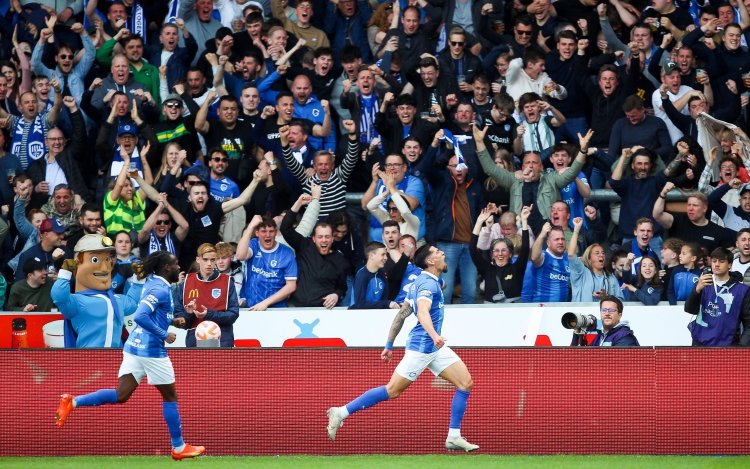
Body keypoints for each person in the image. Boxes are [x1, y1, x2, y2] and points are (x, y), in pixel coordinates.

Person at [326, 244, 479, 453]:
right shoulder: (427, 285)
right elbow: (423, 312)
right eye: (437, 252)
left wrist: (389, 344)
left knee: (465, 383)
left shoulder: (421, 282)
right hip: (423, 347)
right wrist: (435, 336)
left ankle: (453, 436)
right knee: (392, 390)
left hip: (433, 347)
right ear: (431, 261)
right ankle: (340, 412)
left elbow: (402, 314)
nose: (443, 253)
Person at [54, 251, 206, 461]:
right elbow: (141, 315)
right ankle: (179, 447)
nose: (179, 267)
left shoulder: (154, 282)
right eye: (175, 264)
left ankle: (74, 402)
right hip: (151, 351)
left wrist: (174, 321)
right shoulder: (160, 288)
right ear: (166, 268)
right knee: (170, 397)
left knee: (121, 395)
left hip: (133, 348)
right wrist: (164, 334)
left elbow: (153, 314)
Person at [174, 243, 240, 348]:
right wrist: (189, 314)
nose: (209, 263)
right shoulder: (186, 282)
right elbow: (180, 321)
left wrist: (208, 314)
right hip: (194, 339)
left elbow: (233, 314)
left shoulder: (227, 281)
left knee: (221, 365)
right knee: (195, 365)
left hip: (222, 339)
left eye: (213, 260)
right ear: (198, 259)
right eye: (205, 259)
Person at [685, 247, 750, 346]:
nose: (717, 264)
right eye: (714, 261)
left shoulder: (742, 290)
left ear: (730, 265)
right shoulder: (702, 283)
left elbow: (748, 324)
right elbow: (689, 309)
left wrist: (741, 348)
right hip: (700, 345)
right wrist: (696, 290)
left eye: (721, 261)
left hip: (728, 346)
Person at [470, 205, 530, 303]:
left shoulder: (517, 268)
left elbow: (525, 247)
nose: (500, 254)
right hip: (491, 313)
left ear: (510, 254)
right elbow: (472, 248)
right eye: (496, 250)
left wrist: (524, 221)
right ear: (492, 254)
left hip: (514, 312)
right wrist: (479, 221)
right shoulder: (487, 269)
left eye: (504, 250)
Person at [236, 215, 298, 310]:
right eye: (263, 231)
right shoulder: (254, 244)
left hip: (277, 309)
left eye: (271, 231)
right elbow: (240, 255)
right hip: (252, 307)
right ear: (257, 233)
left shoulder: (286, 253)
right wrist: (251, 226)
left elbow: (291, 286)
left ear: (276, 233)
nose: (267, 235)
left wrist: (265, 303)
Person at [568, 217, 623, 302]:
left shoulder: (611, 277)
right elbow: (571, 254)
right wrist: (576, 230)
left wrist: (606, 297)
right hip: (581, 314)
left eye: (603, 253)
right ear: (589, 259)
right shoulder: (581, 272)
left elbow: (621, 302)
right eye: (597, 253)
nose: (601, 255)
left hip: (604, 315)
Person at [522, 222, 570, 303]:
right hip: (541, 310)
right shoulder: (544, 256)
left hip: (561, 310)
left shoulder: (567, 258)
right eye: (556, 239)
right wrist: (542, 234)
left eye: (562, 239)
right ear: (548, 243)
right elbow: (534, 257)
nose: (560, 242)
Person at [572, 296, 640, 346]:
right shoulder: (598, 333)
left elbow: (616, 362)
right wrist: (577, 332)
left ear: (619, 315)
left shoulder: (625, 336)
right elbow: (573, 356)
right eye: (604, 310)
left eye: (611, 310)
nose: (607, 313)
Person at [350, 242, 400, 310]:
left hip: (377, 315)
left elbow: (384, 299)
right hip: (358, 316)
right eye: (383, 255)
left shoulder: (382, 274)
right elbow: (360, 304)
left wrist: (397, 304)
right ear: (371, 256)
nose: (386, 258)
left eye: (386, 255)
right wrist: (387, 303)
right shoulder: (362, 275)